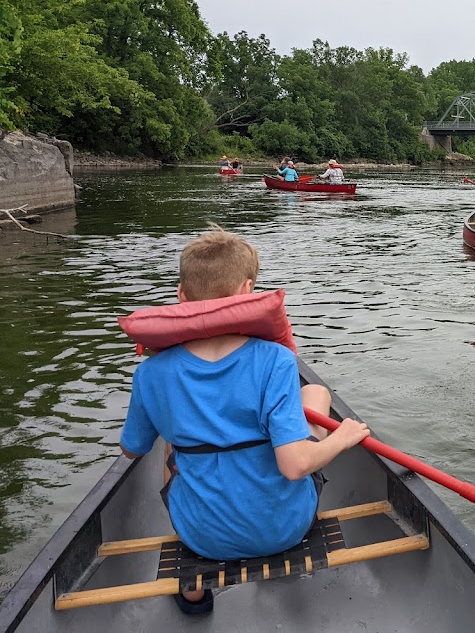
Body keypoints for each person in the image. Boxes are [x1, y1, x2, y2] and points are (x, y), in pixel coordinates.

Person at [118, 230, 370, 614]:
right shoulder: (276, 361)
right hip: (286, 530)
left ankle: (193, 592)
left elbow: (131, 450)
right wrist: (344, 437)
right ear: (247, 290)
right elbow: (295, 465)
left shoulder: (151, 373)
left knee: (170, 447)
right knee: (317, 397)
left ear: (181, 295)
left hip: (202, 538)